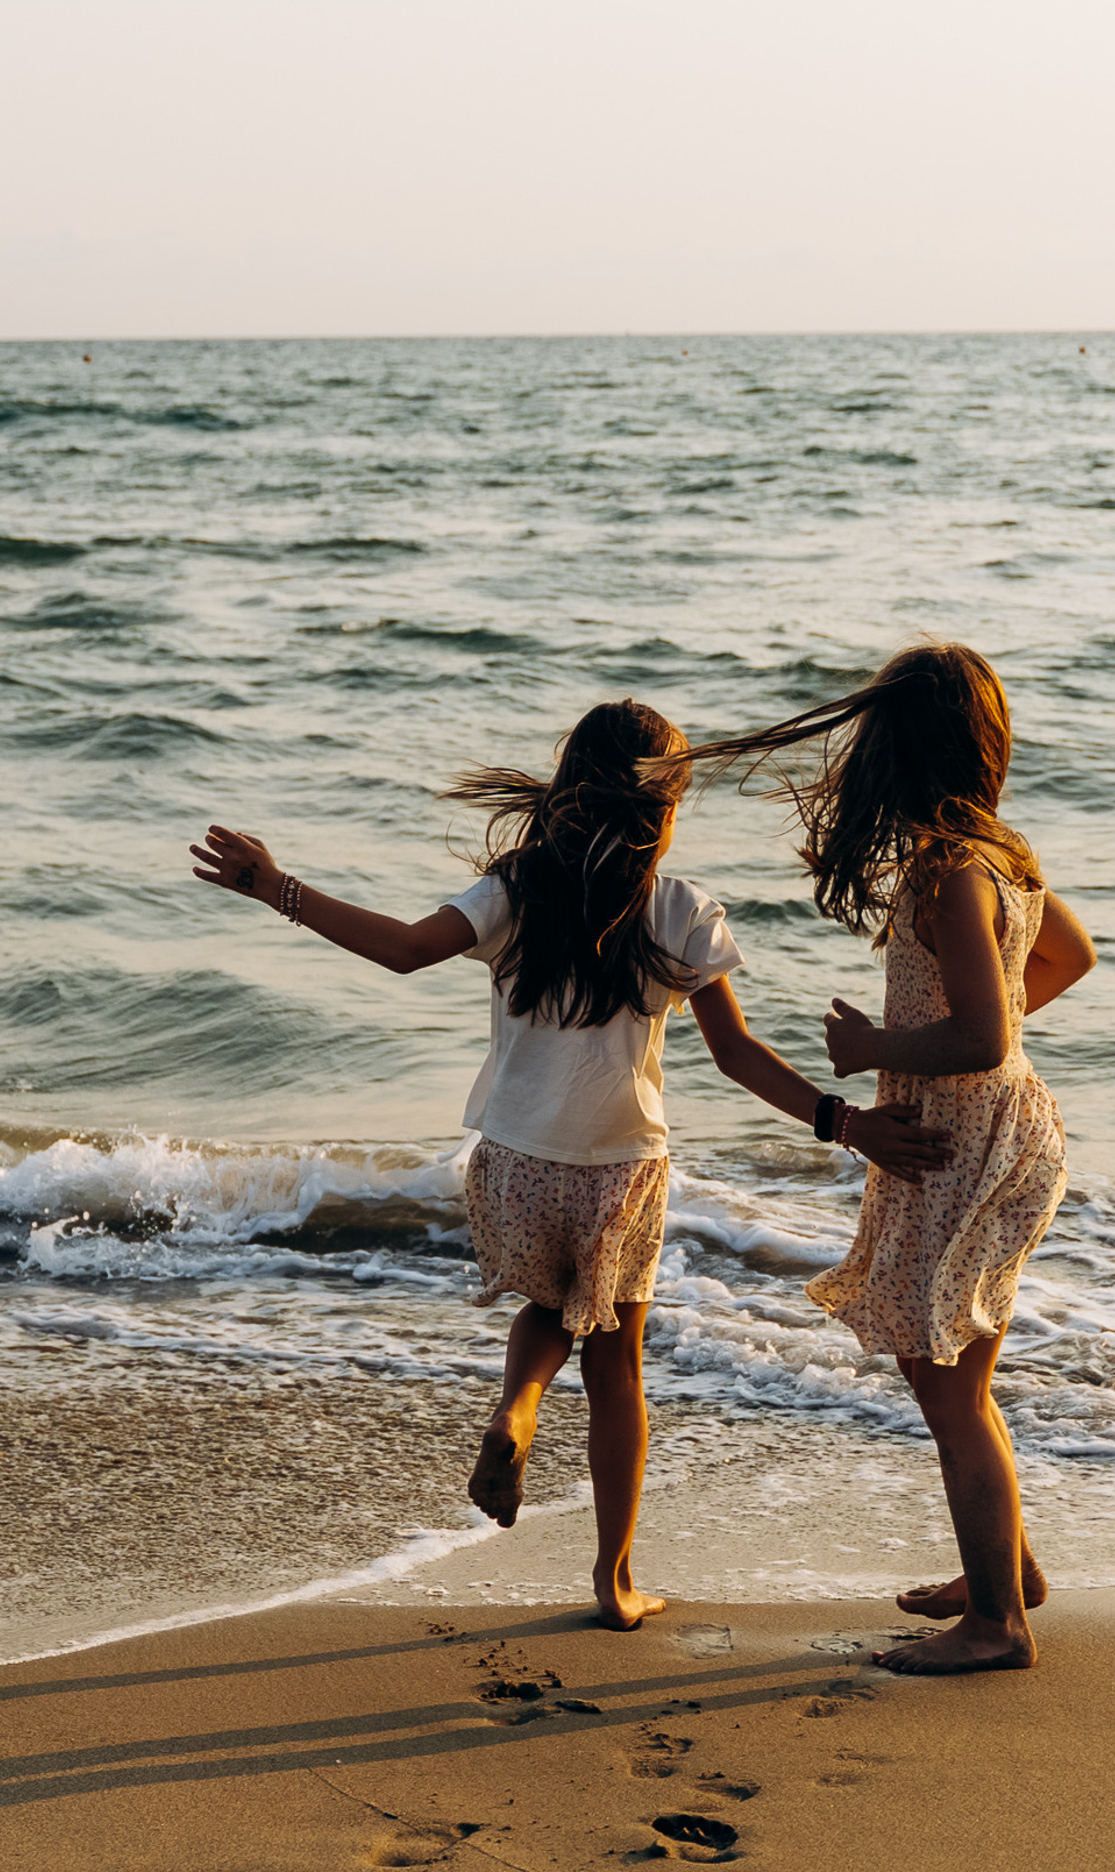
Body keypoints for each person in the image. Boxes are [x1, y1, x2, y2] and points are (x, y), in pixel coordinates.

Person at [190, 699, 948, 1632]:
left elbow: (404, 951)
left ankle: (516, 1410)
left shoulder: (515, 888)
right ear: (666, 809)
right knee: (617, 1364)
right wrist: (845, 1121)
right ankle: (614, 1580)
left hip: (516, 1162)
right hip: (621, 1168)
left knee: (548, 1312)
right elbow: (736, 1056)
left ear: (565, 788)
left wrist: (279, 889)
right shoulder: (681, 911)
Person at [689, 644, 1097, 1674]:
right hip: (991, 1130)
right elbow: (1068, 957)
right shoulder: (999, 855)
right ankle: (1006, 1571)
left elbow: (983, 1038)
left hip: (966, 1139)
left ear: (898, 750)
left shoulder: (950, 870)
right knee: (947, 1366)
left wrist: (877, 1048)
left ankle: (997, 1627)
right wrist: (962, 1040)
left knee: (947, 1382)